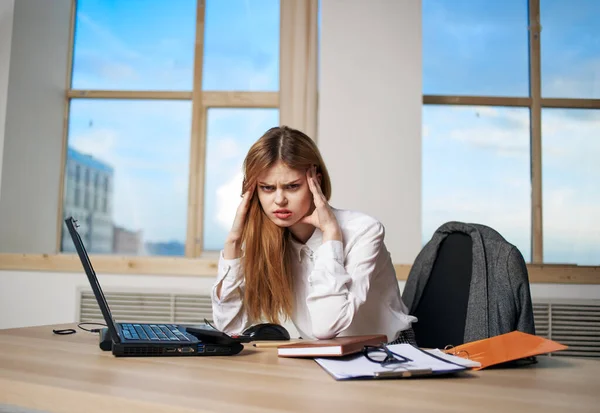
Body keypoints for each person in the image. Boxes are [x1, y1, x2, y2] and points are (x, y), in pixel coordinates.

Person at [211, 125, 417, 344]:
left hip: (387, 351)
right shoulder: (272, 240)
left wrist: (331, 235)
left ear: (315, 181)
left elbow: (327, 326)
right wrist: (233, 243)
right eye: (268, 188)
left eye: (292, 186)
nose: (279, 200)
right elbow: (229, 328)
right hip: (319, 352)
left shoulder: (363, 231)